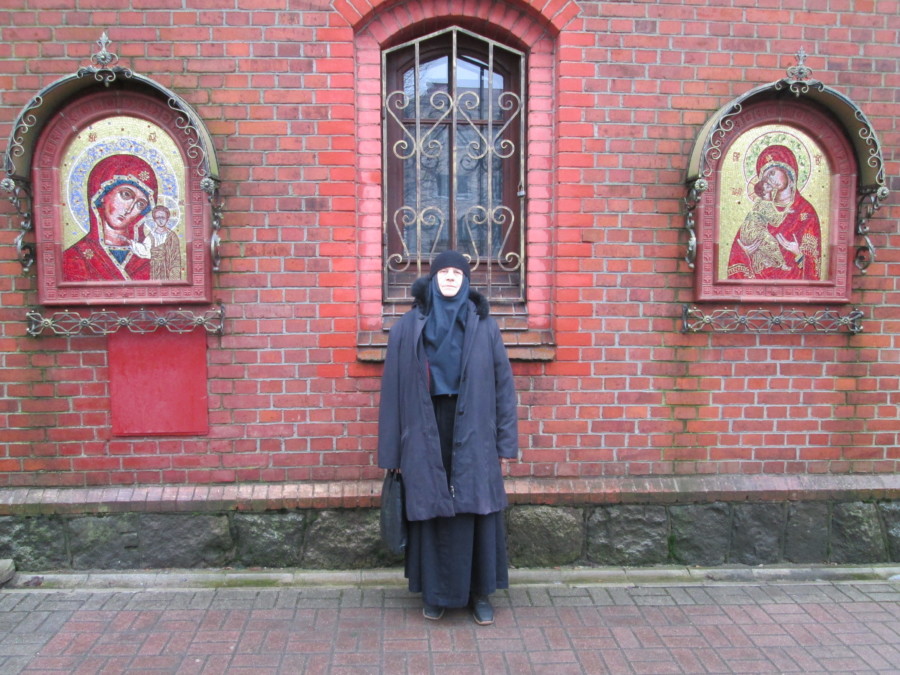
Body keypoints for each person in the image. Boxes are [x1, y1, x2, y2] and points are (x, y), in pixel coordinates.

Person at [377, 250, 518, 625]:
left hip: (474, 426)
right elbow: (392, 392)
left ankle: (479, 593)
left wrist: (505, 444)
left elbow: (503, 388)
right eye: (444, 272)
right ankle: (435, 594)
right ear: (433, 278)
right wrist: (392, 453)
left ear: (467, 280)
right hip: (425, 425)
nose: (451, 277)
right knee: (432, 505)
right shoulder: (407, 328)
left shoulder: (485, 327)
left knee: (475, 507)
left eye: (458, 272)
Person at [727, 144, 822, 281]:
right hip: (757, 285)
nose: (769, 180)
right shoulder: (760, 209)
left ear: (788, 171)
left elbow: (813, 266)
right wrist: (745, 252)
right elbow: (740, 246)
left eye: (772, 173)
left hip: (793, 287)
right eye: (764, 178)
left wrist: (797, 252)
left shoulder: (805, 211)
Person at [63, 154, 157, 282]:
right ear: (102, 195)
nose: (129, 209)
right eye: (126, 194)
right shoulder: (74, 257)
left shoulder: (149, 260)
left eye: (140, 204)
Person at [130, 205, 183, 281]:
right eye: (158, 218)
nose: (160, 220)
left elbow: (176, 257)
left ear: (167, 218)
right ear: (154, 219)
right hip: (154, 268)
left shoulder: (172, 236)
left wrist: (175, 276)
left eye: (163, 218)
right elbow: (145, 250)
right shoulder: (151, 236)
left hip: (168, 268)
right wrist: (131, 243)